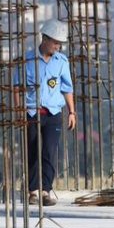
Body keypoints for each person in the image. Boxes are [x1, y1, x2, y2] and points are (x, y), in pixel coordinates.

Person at [20, 18, 75, 206]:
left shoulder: (61, 62)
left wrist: (72, 112)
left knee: (49, 152)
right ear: (44, 39)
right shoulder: (27, 60)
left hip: (53, 114)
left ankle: (45, 190)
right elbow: (16, 88)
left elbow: (67, 88)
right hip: (32, 112)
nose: (58, 47)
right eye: (56, 42)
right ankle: (33, 190)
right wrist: (19, 111)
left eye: (60, 43)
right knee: (33, 151)